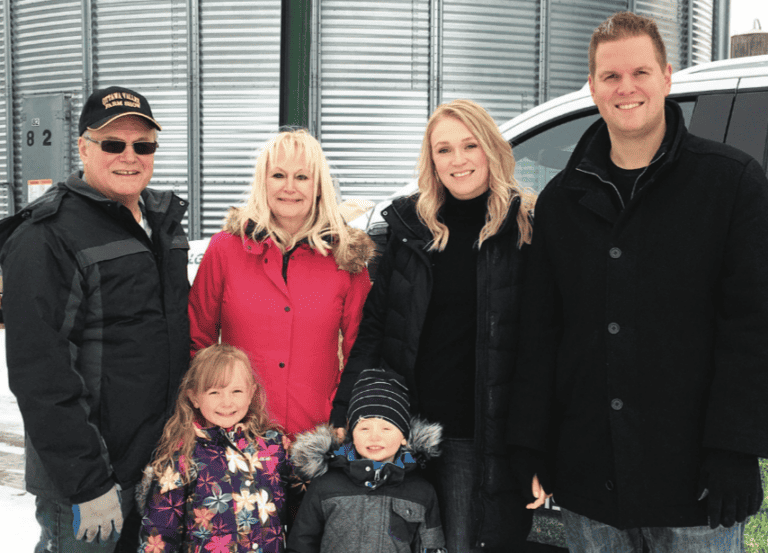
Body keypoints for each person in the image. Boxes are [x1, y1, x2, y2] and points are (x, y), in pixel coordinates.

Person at [508, 11, 768, 553]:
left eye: (640, 73)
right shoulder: (561, 201)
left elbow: (752, 326)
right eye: (611, 76)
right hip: (590, 482)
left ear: (667, 77)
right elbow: (540, 334)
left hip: (696, 485)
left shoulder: (732, 183)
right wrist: (531, 446)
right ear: (593, 87)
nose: (626, 88)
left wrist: (737, 449)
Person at [330, 99, 537, 552]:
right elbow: (377, 327)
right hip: (399, 431)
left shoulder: (523, 231)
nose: (458, 160)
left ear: (491, 150)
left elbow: (543, 344)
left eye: (469, 145)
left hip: (470, 437)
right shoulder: (409, 228)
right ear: (432, 160)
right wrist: (347, 409)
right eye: (444, 150)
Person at [0, 86, 190, 552]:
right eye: (113, 144)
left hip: (154, 467)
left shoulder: (161, 224)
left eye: (143, 145)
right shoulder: (48, 237)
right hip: (93, 482)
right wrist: (87, 482)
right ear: (83, 147)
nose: (130, 156)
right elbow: (40, 375)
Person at [189, 129, 374, 439]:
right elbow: (198, 338)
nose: (289, 187)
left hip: (317, 435)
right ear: (264, 182)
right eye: (278, 175)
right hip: (240, 436)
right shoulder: (225, 249)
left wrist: (341, 412)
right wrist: (213, 415)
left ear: (318, 186)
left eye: (302, 177)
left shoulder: (345, 257)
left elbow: (362, 346)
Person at [137, 343, 293, 552]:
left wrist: (334, 452)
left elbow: (304, 502)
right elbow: (159, 534)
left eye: (236, 391)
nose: (226, 402)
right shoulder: (180, 459)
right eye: (214, 393)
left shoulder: (273, 447)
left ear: (251, 393)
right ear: (194, 397)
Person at [287, 367, 446, 553]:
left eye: (386, 429)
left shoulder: (421, 492)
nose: (374, 437)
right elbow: (301, 544)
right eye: (364, 429)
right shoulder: (325, 486)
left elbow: (432, 547)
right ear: (351, 433)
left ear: (404, 436)